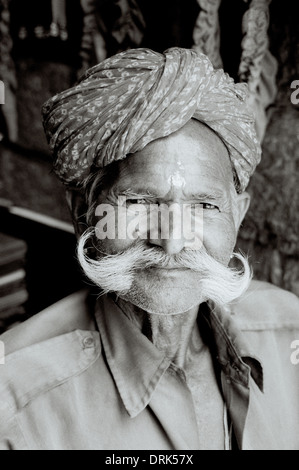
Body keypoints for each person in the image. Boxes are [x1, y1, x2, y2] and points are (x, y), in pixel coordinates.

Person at [1, 47, 299, 451]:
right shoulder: (14, 396)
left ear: (238, 215)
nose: (173, 240)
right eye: (139, 203)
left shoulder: (289, 331)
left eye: (204, 206)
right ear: (83, 211)